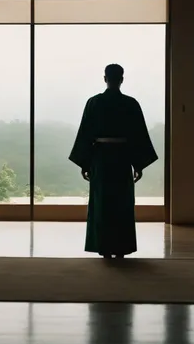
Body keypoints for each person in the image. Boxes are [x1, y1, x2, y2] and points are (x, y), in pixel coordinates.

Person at [68, 63, 158, 259]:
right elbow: (138, 135)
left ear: (105, 78)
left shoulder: (94, 103)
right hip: (123, 157)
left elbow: (85, 134)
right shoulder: (131, 104)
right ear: (121, 79)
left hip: (100, 158)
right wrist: (138, 163)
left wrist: (85, 163)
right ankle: (121, 247)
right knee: (122, 202)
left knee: (102, 203)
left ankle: (103, 246)